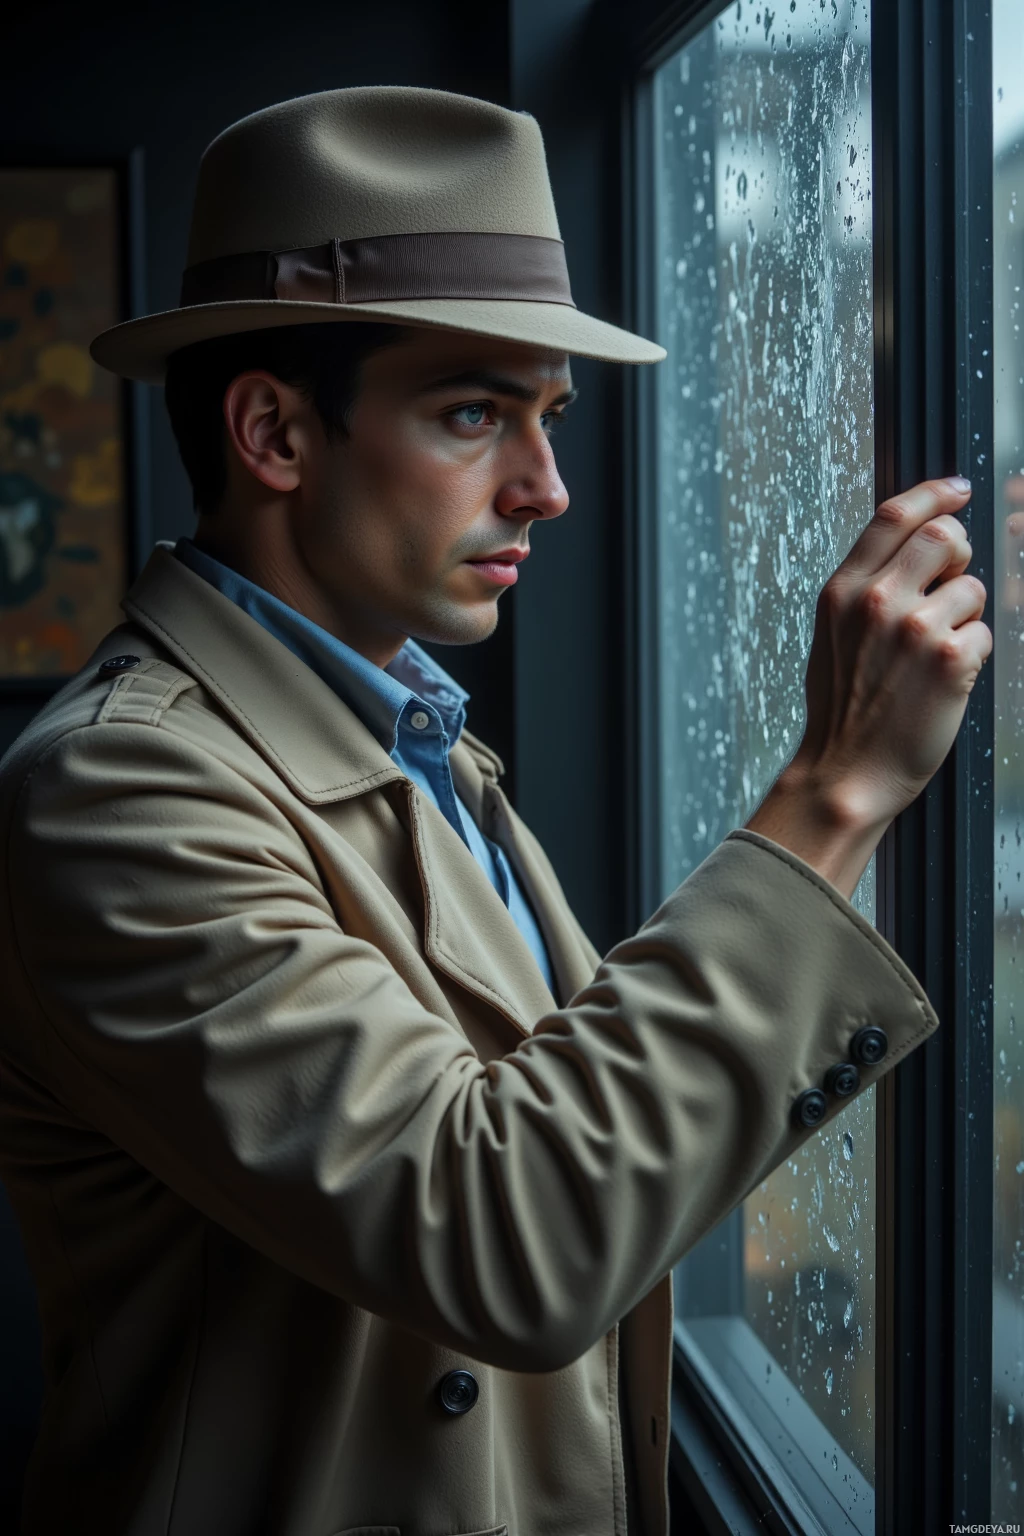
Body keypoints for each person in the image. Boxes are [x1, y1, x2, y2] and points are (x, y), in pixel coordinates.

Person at [0, 85, 990, 1536]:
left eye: (550, 416)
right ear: (274, 431)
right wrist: (834, 791)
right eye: (475, 412)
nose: (549, 488)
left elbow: (596, 1152)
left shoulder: (414, 740)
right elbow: (512, 1237)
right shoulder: (114, 793)